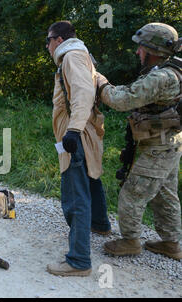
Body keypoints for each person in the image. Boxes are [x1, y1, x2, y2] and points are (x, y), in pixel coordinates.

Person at [97, 23, 182, 260]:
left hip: (157, 147)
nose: (137, 52)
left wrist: (101, 84)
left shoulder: (160, 77)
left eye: (141, 47)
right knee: (165, 194)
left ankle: (130, 241)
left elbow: (123, 100)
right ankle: (171, 243)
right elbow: (139, 92)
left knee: (132, 193)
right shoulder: (173, 69)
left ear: (153, 49)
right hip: (170, 143)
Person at [45, 21, 111, 277]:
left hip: (77, 134)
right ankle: (99, 224)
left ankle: (79, 260)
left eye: (48, 41)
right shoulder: (82, 55)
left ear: (58, 40)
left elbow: (82, 92)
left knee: (75, 193)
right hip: (86, 131)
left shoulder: (70, 57)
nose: (47, 47)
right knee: (91, 179)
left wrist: (72, 130)